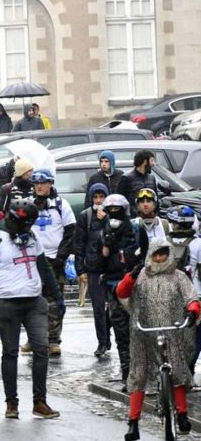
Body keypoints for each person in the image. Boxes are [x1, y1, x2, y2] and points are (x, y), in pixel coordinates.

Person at [0, 199, 63, 419]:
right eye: (24, 224)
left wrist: (58, 297)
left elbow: (44, 268)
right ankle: (11, 403)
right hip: (5, 302)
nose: (26, 229)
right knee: (10, 352)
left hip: (34, 301)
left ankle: (39, 401)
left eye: (29, 225)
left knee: (41, 349)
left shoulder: (32, 239)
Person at [117, 238, 199, 440]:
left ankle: (181, 414)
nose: (160, 258)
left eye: (163, 253)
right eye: (156, 254)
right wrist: (130, 277)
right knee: (139, 375)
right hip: (143, 333)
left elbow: (192, 298)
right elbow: (121, 292)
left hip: (172, 332)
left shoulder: (179, 277)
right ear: (150, 255)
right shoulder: (142, 276)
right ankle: (133, 422)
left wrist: (191, 312)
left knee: (177, 370)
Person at [25, 169, 75, 356]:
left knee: (54, 301)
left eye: (43, 182)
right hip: (32, 259)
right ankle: (33, 337)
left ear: (50, 183)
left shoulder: (61, 205)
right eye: (36, 183)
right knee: (31, 300)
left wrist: (61, 257)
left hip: (54, 259)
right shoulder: (28, 203)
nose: (39, 186)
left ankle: (53, 339)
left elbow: (70, 231)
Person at [74, 185, 119, 359]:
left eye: (102, 197)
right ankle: (102, 341)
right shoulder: (85, 217)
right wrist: (81, 269)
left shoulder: (114, 216)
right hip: (93, 268)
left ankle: (107, 335)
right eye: (96, 197)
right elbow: (79, 244)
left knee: (113, 308)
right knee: (98, 307)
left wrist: (107, 220)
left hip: (112, 268)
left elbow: (120, 236)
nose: (99, 201)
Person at [116, 151, 159, 216]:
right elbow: (119, 201)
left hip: (150, 218)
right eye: (152, 160)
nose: (153, 164)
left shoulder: (151, 178)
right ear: (145, 161)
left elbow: (156, 199)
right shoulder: (126, 178)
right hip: (133, 218)